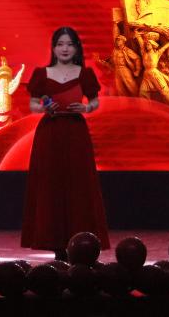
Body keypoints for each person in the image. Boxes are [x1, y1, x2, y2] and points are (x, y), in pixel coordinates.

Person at [21, 26, 109, 260]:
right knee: (50, 184)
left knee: (78, 184)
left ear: (77, 48)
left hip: (75, 132)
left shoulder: (84, 73)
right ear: (53, 48)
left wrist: (86, 108)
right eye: (60, 44)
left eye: (69, 44)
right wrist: (44, 107)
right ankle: (54, 243)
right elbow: (33, 104)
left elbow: (95, 101)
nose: (65, 49)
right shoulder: (42, 73)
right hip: (50, 133)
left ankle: (80, 240)